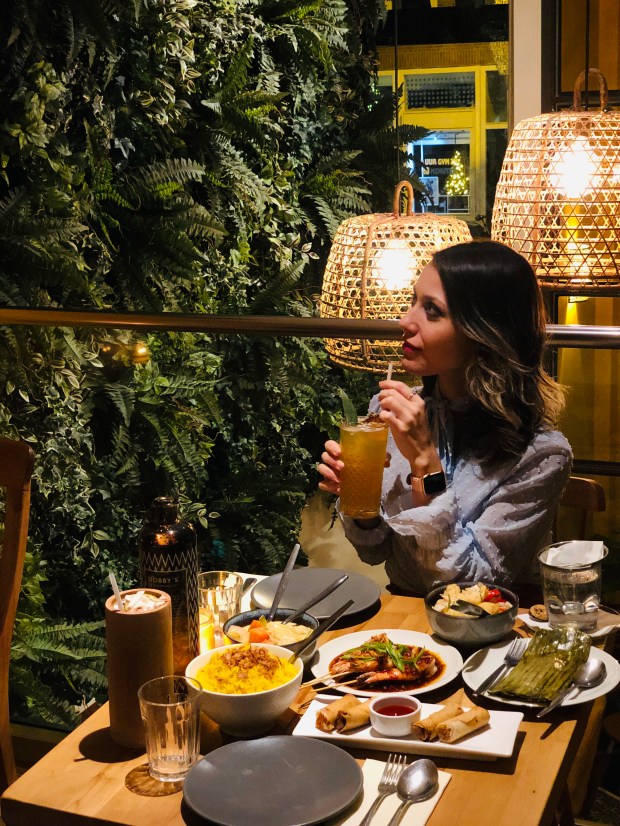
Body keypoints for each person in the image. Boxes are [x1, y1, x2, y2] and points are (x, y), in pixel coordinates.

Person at [318, 240, 572, 596]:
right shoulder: (396, 412)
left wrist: (425, 462)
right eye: (413, 301)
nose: (406, 321)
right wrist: (360, 502)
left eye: (432, 311)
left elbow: (474, 589)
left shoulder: (542, 455)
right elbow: (375, 551)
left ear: (483, 333)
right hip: (406, 614)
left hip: (490, 621)